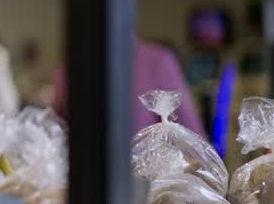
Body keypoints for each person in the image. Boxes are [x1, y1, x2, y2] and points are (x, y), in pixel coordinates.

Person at [51, 35, 205, 136]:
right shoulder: (68, 68)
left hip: (145, 181)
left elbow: (193, 140)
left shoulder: (156, 62)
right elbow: (57, 132)